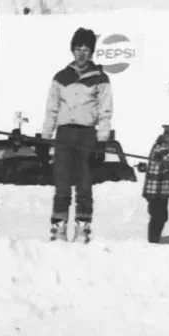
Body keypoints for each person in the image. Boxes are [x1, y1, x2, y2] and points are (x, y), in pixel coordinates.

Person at [41, 27, 113, 243]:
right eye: (78, 48)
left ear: (92, 52)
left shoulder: (100, 78)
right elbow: (51, 109)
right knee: (62, 184)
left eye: (87, 49)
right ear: (72, 50)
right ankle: (59, 228)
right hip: (64, 134)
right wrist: (46, 138)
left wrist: (102, 140)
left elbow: (105, 111)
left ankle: (83, 229)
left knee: (84, 184)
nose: (82, 53)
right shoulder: (61, 77)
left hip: (86, 135)